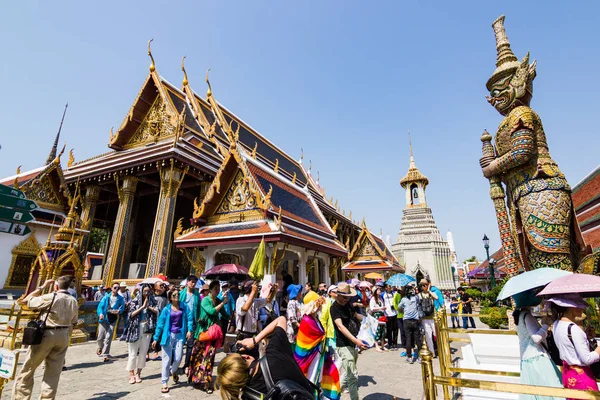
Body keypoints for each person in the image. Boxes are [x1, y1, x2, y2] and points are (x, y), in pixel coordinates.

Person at [12, 276, 79, 400]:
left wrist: (43, 286)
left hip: (46, 334)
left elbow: (25, 301)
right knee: (53, 373)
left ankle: (20, 398)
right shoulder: (73, 300)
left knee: (27, 370)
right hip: (63, 335)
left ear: (56, 286)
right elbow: (74, 320)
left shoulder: (51, 297)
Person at [216, 316, 314, 400]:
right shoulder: (275, 353)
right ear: (246, 357)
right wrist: (254, 340)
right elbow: (281, 320)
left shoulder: (249, 396)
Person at [511, 291, 563, 400]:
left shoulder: (521, 315)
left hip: (528, 358)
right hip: (537, 358)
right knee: (551, 388)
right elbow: (536, 338)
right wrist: (547, 324)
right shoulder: (527, 315)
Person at [548, 294, 600, 394]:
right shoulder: (575, 329)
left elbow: (568, 344)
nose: (583, 309)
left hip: (568, 375)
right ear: (572, 307)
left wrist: (585, 337)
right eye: (580, 306)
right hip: (582, 377)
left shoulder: (556, 324)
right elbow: (587, 359)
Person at [294, 293, 341, 399]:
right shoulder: (307, 320)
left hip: (318, 355)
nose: (321, 306)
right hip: (310, 357)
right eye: (319, 304)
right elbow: (305, 342)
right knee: (311, 380)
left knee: (318, 379)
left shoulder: (316, 318)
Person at [189, 280, 229, 392]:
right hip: (202, 333)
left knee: (209, 359)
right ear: (210, 290)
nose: (217, 290)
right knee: (197, 357)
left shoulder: (218, 300)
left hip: (212, 335)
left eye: (218, 288)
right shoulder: (205, 300)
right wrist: (222, 304)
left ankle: (206, 383)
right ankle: (196, 379)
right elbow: (211, 312)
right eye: (215, 288)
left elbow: (225, 315)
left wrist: (234, 315)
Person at [330, 282, 368, 400]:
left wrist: (371, 321)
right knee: (353, 376)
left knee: (347, 373)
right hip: (343, 344)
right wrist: (356, 340)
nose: (344, 300)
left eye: (347, 297)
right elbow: (340, 327)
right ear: (337, 295)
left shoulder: (348, 305)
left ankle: (331, 395)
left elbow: (356, 316)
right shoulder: (334, 308)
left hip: (352, 343)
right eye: (342, 297)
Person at [153, 288, 194, 393]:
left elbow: (190, 318)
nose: (177, 296)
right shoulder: (167, 309)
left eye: (178, 294)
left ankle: (173, 371)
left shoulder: (184, 307)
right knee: (166, 360)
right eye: (174, 295)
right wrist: (156, 338)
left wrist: (189, 330)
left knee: (178, 357)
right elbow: (160, 324)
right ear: (170, 297)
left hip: (180, 335)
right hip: (168, 335)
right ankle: (164, 382)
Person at [121, 284, 158, 384]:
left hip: (147, 328)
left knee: (143, 352)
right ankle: (131, 374)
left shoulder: (152, 300)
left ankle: (138, 373)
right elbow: (130, 315)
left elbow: (157, 311)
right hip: (135, 328)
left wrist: (148, 307)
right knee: (133, 353)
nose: (146, 293)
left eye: (148, 291)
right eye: (145, 291)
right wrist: (142, 307)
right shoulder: (135, 301)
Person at [96, 282, 125, 362]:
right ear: (112, 288)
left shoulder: (120, 298)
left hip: (113, 318)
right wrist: (101, 313)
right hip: (104, 318)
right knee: (100, 336)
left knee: (109, 336)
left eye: (118, 288)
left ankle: (105, 354)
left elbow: (122, 307)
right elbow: (100, 307)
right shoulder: (106, 297)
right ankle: (100, 347)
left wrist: (118, 311)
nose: (117, 289)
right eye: (115, 287)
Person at [180, 275, 200, 373]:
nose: (193, 284)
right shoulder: (181, 294)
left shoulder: (197, 295)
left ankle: (187, 364)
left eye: (194, 282)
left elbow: (199, 308)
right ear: (187, 282)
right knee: (179, 343)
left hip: (193, 322)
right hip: (182, 321)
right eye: (191, 282)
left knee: (190, 344)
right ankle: (174, 362)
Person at [399, 284, 421, 364]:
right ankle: (420, 357)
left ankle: (409, 357)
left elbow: (399, 308)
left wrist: (403, 309)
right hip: (415, 320)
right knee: (417, 339)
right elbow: (418, 304)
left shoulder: (404, 299)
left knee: (408, 338)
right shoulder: (416, 298)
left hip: (406, 320)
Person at [418, 279, 439, 355]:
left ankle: (440, 350)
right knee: (428, 336)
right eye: (422, 285)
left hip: (433, 317)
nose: (423, 287)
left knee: (437, 334)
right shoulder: (419, 295)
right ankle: (432, 352)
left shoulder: (431, 293)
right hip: (424, 318)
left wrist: (429, 290)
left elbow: (436, 298)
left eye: (425, 285)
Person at [149, 281, 168, 360]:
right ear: (155, 287)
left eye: (163, 286)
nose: (163, 287)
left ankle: (156, 352)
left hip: (160, 319)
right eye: (161, 285)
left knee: (158, 335)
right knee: (149, 336)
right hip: (151, 319)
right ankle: (147, 353)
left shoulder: (164, 298)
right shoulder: (151, 297)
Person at [369, 286, 387, 352]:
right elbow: (372, 308)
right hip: (376, 315)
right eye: (378, 290)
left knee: (383, 331)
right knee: (377, 330)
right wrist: (380, 308)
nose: (380, 291)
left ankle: (382, 345)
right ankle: (377, 345)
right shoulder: (373, 299)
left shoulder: (380, 299)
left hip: (382, 315)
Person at [382, 284, 398, 349]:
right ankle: (390, 343)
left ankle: (395, 343)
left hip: (395, 313)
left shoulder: (394, 293)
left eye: (390, 287)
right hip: (387, 314)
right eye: (388, 287)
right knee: (389, 329)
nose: (389, 288)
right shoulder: (383, 294)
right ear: (386, 288)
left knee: (395, 329)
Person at [393, 286, 406, 355]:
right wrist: (398, 309)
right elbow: (394, 303)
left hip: (406, 316)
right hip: (400, 315)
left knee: (408, 333)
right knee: (402, 332)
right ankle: (404, 348)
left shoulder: (406, 294)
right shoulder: (396, 294)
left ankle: (410, 347)